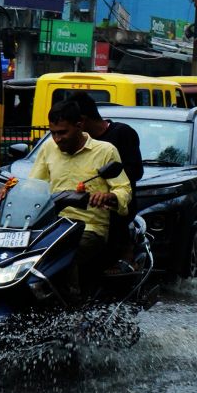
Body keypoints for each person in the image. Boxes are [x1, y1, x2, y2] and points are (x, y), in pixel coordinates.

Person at [27, 100, 131, 297]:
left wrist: (109, 196)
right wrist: (11, 191)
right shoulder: (48, 148)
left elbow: (123, 189)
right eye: (53, 133)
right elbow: (35, 185)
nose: (57, 139)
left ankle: (73, 305)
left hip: (89, 228)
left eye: (63, 132)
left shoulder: (105, 151)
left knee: (62, 255)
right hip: (51, 225)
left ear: (79, 126)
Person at [70, 92, 143, 268]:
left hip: (113, 209)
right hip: (80, 207)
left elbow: (135, 170)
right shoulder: (72, 143)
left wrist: (107, 192)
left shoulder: (122, 134)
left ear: (82, 120)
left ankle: (125, 258)